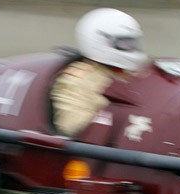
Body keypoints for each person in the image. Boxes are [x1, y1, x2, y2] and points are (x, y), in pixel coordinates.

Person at [51, 8, 147, 137]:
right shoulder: (77, 79)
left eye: (132, 43)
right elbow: (70, 125)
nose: (131, 48)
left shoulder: (134, 75)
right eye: (125, 43)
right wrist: (109, 115)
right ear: (100, 41)